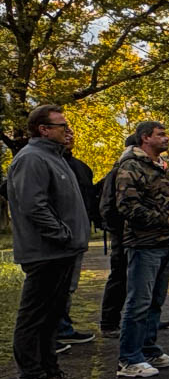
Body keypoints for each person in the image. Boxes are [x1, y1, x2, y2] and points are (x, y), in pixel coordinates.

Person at [8, 105, 92, 379]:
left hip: (63, 251)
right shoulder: (31, 159)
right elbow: (34, 206)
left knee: (51, 316)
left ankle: (51, 374)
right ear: (43, 129)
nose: (66, 129)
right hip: (45, 252)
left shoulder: (53, 158)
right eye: (61, 125)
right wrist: (62, 235)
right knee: (34, 317)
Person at [113, 121, 169, 378]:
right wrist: (162, 220)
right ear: (145, 138)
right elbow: (127, 206)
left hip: (164, 241)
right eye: (161, 134)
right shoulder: (131, 166)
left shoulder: (159, 166)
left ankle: (148, 349)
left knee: (155, 301)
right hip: (144, 243)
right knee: (139, 302)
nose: (167, 138)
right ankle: (130, 358)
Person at [55, 138, 98, 346]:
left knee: (69, 285)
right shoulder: (40, 162)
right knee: (52, 286)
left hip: (78, 234)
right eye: (63, 129)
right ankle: (52, 332)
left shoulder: (81, 167)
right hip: (56, 237)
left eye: (70, 130)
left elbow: (89, 196)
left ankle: (63, 328)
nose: (68, 135)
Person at [98, 131, 140, 338]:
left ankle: (137, 319)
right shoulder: (124, 169)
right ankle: (109, 322)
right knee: (120, 274)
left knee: (132, 276)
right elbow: (112, 205)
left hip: (123, 230)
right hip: (123, 231)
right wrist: (118, 229)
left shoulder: (120, 167)